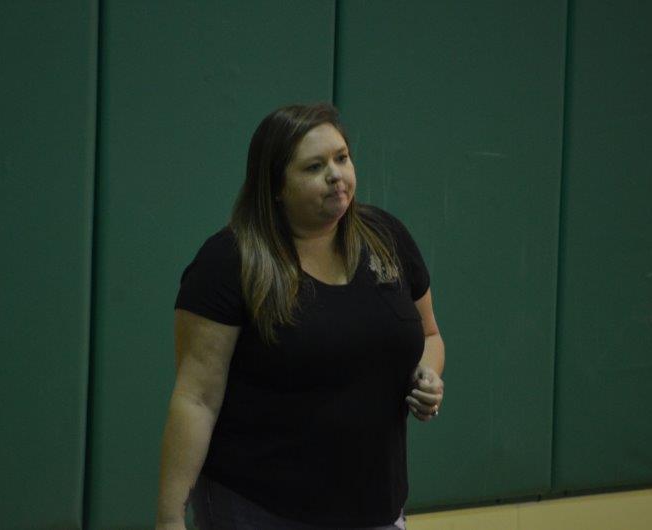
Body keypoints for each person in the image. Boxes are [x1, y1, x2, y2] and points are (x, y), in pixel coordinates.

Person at [155, 103, 445, 530]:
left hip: (375, 508)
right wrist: (169, 518)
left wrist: (428, 374)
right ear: (276, 186)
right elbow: (196, 398)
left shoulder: (387, 237)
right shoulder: (229, 261)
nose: (335, 175)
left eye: (342, 158)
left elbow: (430, 335)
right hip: (260, 507)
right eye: (314, 167)